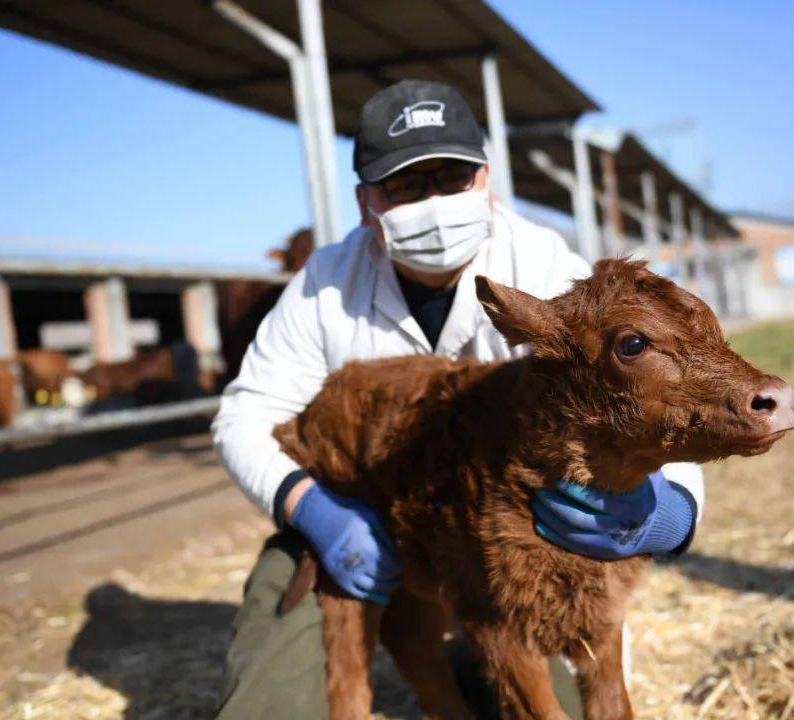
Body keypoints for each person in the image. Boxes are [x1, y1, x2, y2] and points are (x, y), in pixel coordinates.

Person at [212, 79, 704, 719]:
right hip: (362, 512)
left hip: (509, 536)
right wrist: (311, 509)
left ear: (486, 180)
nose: (435, 203)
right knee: (268, 706)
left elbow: (660, 393)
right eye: (407, 187)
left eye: (453, 179)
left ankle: (440, 659)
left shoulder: (548, 270)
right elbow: (244, 418)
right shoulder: (324, 284)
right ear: (367, 203)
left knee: (537, 699)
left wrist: (672, 509)